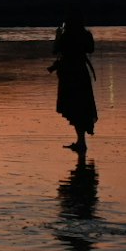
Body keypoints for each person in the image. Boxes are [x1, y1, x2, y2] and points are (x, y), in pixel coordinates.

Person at [50, 9, 97, 153]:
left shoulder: (66, 36)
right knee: (82, 107)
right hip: (81, 74)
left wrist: (57, 36)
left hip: (69, 75)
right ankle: (81, 142)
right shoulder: (86, 35)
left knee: (74, 107)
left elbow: (55, 50)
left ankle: (81, 142)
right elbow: (91, 49)